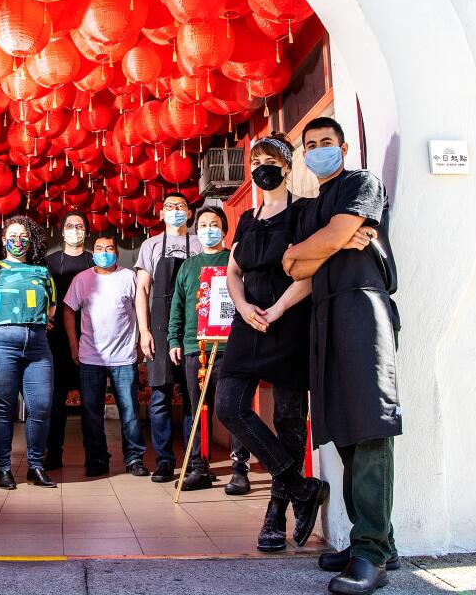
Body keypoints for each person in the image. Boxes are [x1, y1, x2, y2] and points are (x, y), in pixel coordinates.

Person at [283, 117, 402, 595]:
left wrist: (321, 247)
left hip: (363, 308)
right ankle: (373, 542)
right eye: (309, 146)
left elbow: (320, 248)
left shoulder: (361, 183)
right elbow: (293, 264)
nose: (317, 151)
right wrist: (322, 245)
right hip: (325, 315)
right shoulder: (311, 208)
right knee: (346, 431)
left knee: (370, 426)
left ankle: (371, 552)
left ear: (343, 146)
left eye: (325, 143)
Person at [213, 134, 327, 555]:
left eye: (271, 158)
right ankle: (301, 487)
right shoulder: (246, 219)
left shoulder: (305, 211)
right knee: (229, 404)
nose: (264, 166)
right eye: (257, 159)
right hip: (248, 321)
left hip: (289, 319)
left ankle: (277, 511)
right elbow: (233, 272)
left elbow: (312, 271)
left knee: (289, 419)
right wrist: (242, 306)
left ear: (287, 164)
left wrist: (277, 309)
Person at [166, 205, 251, 494]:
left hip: (232, 347)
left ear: (224, 230)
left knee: (234, 409)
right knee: (198, 409)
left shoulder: (235, 261)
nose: (208, 229)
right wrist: (174, 340)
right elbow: (176, 306)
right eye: (203, 225)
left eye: (214, 224)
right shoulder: (188, 266)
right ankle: (199, 467)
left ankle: (240, 469)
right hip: (196, 348)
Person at [0, 216, 57, 489]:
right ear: (3, 239)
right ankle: (4, 468)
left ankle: (36, 466)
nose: (18, 241)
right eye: (13, 235)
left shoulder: (43, 272)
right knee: (3, 407)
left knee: (41, 406)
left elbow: (52, 308)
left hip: (37, 344)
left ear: (31, 240)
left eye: (23, 236)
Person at [63, 235, 148, 478]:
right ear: (93, 253)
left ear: (116, 253)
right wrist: (73, 343)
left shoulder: (129, 277)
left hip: (124, 356)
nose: (104, 252)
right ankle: (97, 459)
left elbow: (141, 307)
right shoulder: (82, 279)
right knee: (91, 414)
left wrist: (143, 337)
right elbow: (69, 309)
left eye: (109, 248)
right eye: (99, 248)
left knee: (130, 411)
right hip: (90, 357)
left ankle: (134, 459)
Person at [134, 192, 198, 484]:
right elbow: (142, 290)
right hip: (159, 328)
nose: (175, 211)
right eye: (169, 207)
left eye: (180, 207)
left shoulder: (199, 243)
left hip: (192, 327)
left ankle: (193, 460)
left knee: (191, 396)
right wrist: (144, 331)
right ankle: (163, 461)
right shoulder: (150, 245)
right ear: (161, 214)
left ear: (189, 212)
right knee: (159, 396)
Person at [44, 210, 92, 470]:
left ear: (86, 231)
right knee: (55, 401)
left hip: (90, 340)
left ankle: (94, 454)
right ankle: (53, 452)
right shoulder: (47, 263)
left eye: (80, 226)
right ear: (62, 231)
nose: (75, 230)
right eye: (70, 226)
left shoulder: (95, 262)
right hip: (55, 341)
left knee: (90, 401)